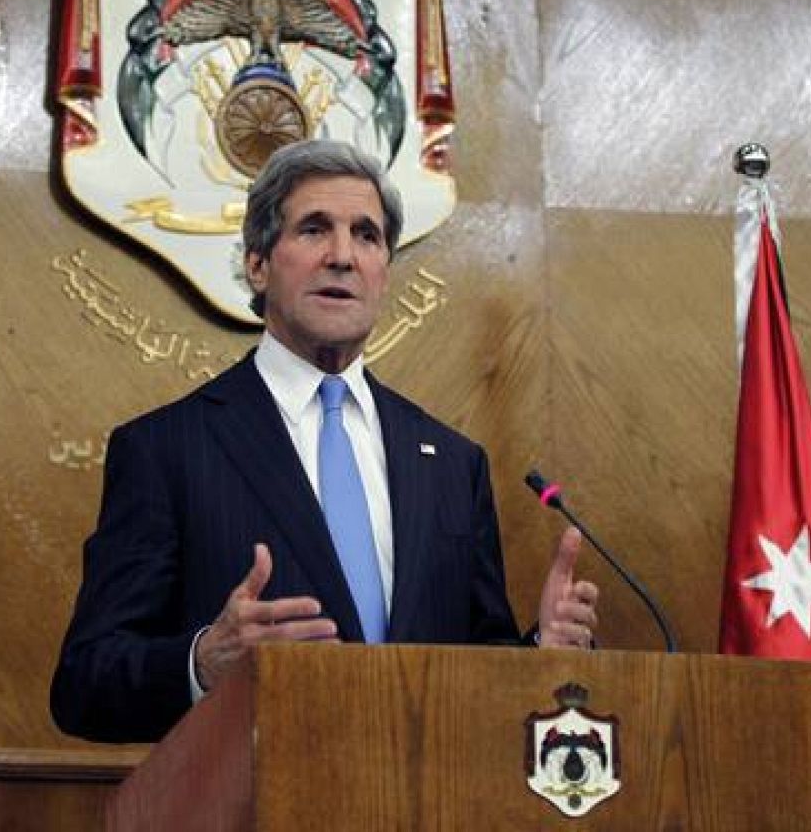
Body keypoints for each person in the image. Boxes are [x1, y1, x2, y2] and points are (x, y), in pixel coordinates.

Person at [50, 140, 600, 744]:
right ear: (258, 263)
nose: (343, 256)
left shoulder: (451, 463)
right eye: (314, 230)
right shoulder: (167, 450)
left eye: (366, 236)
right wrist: (204, 659)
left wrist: (540, 650)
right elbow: (84, 685)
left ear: (384, 270)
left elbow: (475, 667)